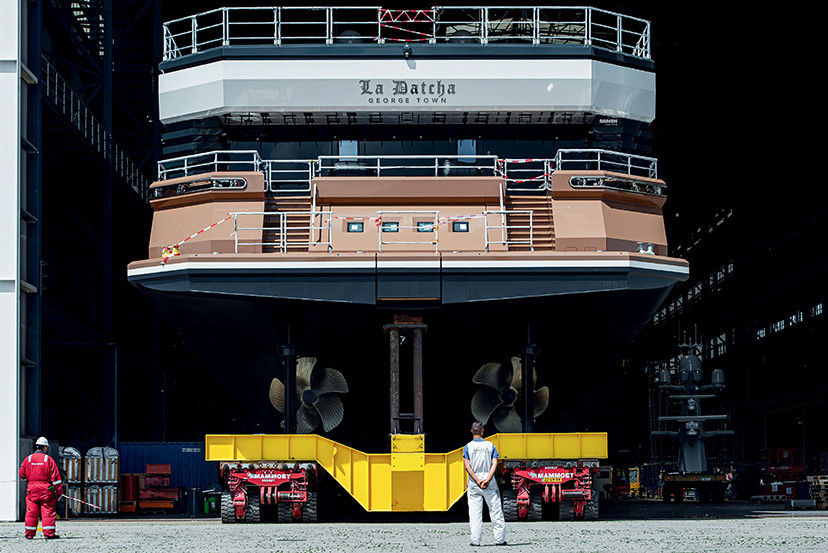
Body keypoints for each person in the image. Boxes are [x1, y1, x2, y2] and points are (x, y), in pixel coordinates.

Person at [463, 421, 506, 546]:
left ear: (472, 431)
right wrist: (487, 479)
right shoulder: (490, 446)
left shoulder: (468, 447)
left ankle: (475, 541)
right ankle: (500, 540)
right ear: (482, 431)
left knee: (475, 514)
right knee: (496, 511)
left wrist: (477, 480)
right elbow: (494, 463)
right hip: (489, 480)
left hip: (474, 483)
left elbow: (467, 466)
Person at [19, 437, 63, 539]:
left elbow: (21, 474)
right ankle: (49, 534)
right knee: (48, 512)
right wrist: (59, 492)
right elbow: (56, 478)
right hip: (46, 490)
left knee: (31, 512)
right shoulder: (48, 460)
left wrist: (28, 480)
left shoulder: (28, 459)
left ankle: (29, 534)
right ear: (45, 447)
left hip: (32, 490)